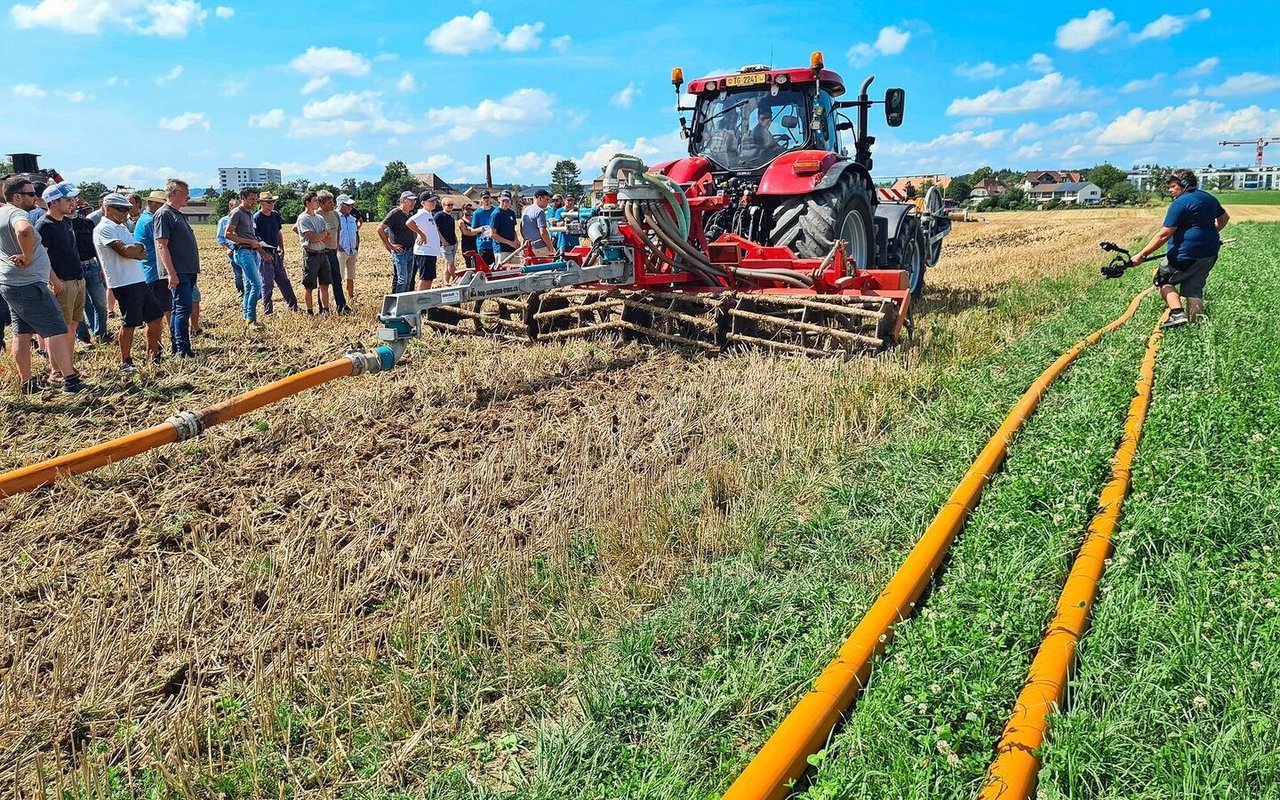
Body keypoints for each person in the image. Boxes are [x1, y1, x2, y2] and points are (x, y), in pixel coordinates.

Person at [0, 176, 83, 393]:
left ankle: (27, 384)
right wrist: (27, 256)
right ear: (16, 196)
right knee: (56, 329)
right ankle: (70, 380)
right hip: (28, 283)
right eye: (30, 194)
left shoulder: (1, 212)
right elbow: (24, 231)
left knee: (22, 334)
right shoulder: (17, 214)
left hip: (11, 283)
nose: (35, 197)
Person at [1130, 169, 1230, 329]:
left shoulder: (1180, 203)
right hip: (1209, 253)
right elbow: (1224, 219)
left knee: (1162, 279)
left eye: (1173, 186)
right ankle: (1195, 329)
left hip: (1184, 254)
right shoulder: (1208, 198)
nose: (1170, 190)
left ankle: (1177, 313)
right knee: (1194, 290)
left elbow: (1164, 234)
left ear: (1184, 185)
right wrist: (1210, 234)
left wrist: (1142, 254)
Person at [94, 193, 164, 369]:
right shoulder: (104, 228)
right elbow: (125, 251)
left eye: (127, 208)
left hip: (138, 279)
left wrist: (136, 250)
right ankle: (125, 361)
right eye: (121, 209)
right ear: (107, 209)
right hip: (123, 282)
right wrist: (135, 250)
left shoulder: (122, 228)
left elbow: (143, 252)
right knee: (130, 322)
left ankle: (153, 356)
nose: (126, 212)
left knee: (155, 317)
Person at [35, 182, 85, 381]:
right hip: (62, 282)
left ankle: (68, 367)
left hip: (77, 280)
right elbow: (42, 258)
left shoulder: (65, 222)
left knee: (72, 327)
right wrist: (55, 280)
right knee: (58, 329)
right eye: (68, 200)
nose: (73, 203)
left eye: (72, 199)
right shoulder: (44, 225)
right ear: (54, 202)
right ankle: (56, 371)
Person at [154, 178, 200, 357]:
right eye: (185, 194)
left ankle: (178, 347)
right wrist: (171, 273)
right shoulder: (164, 214)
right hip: (178, 271)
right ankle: (182, 349)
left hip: (187, 270)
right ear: (174, 193)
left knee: (181, 309)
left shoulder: (177, 214)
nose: (188, 197)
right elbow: (161, 245)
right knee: (182, 309)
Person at [223, 187, 267, 330]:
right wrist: (250, 242)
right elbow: (228, 234)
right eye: (251, 199)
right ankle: (251, 317)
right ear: (243, 197)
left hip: (252, 251)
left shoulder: (250, 213)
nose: (254, 202)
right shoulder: (237, 213)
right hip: (243, 252)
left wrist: (258, 245)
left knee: (249, 286)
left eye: (255, 199)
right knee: (257, 284)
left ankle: (247, 319)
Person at [134, 190, 171, 356]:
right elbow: (162, 246)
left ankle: (160, 344)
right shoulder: (152, 222)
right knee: (158, 313)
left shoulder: (144, 219)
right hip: (155, 272)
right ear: (156, 205)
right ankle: (156, 348)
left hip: (149, 271)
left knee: (163, 310)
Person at [70, 202, 111, 344]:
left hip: (92, 266)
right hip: (73, 270)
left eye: (72, 201)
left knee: (100, 303)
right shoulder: (61, 225)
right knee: (79, 306)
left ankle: (101, 334)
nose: (71, 204)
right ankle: (82, 337)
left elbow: (96, 247)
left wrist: (101, 268)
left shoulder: (87, 223)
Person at [253, 193, 298, 313]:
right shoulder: (256, 218)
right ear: (261, 203)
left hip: (275, 252)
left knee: (284, 281)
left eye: (273, 202)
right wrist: (263, 254)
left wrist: (282, 248)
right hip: (264, 254)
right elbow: (254, 239)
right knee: (267, 284)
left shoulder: (275, 215)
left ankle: (293, 306)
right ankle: (268, 311)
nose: (272, 204)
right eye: (269, 202)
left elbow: (278, 233)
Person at [296, 190, 332, 314]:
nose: (317, 202)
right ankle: (310, 311)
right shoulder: (303, 218)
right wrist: (322, 235)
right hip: (311, 255)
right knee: (309, 286)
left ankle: (325, 310)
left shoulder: (320, 218)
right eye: (315, 200)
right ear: (307, 203)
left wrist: (320, 235)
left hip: (323, 253)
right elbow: (313, 238)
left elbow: (328, 237)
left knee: (325, 284)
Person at [316, 191, 351, 314]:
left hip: (332, 252)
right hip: (321, 253)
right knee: (323, 283)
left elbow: (338, 231)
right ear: (321, 203)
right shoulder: (315, 215)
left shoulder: (335, 214)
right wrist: (318, 240)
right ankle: (323, 309)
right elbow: (297, 229)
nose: (332, 204)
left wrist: (336, 245)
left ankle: (341, 306)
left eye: (332, 201)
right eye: (329, 202)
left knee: (337, 280)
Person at [377, 191, 417, 293]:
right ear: (402, 201)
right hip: (401, 252)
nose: (413, 202)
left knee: (408, 281)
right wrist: (390, 245)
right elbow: (380, 228)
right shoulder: (395, 213)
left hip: (411, 251)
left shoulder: (409, 215)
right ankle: (398, 305)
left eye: (414, 200)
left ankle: (404, 305)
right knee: (402, 280)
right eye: (410, 200)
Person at [406, 192, 442, 290]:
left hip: (430, 252)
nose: (434, 202)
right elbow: (409, 222)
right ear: (423, 203)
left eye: (434, 200)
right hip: (425, 252)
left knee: (428, 278)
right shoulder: (422, 213)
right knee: (425, 279)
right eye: (430, 201)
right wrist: (421, 234)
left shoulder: (429, 214)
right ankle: (420, 301)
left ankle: (424, 301)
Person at [216, 198, 245, 297]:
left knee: (249, 272)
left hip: (244, 246)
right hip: (232, 247)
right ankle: (241, 292)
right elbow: (220, 238)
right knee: (238, 274)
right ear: (230, 208)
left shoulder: (244, 218)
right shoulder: (223, 221)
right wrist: (227, 248)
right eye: (235, 207)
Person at [520, 188, 557, 260]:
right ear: (540, 198)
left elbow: (521, 228)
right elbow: (543, 232)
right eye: (546, 199)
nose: (548, 202)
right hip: (540, 247)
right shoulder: (540, 211)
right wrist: (550, 247)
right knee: (555, 260)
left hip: (528, 247)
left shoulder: (525, 210)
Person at [337, 194, 360, 301]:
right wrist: (338, 247)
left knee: (351, 275)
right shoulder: (335, 217)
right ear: (341, 205)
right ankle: (340, 298)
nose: (351, 208)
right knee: (339, 276)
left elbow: (355, 233)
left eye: (351, 206)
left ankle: (351, 297)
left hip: (352, 250)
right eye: (348, 205)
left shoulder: (352, 218)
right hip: (341, 251)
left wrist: (356, 246)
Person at [489, 190, 520, 264]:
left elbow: (513, 229)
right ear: (499, 200)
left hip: (513, 248)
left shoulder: (511, 213)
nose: (505, 203)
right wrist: (509, 243)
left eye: (507, 201)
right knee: (503, 271)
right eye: (503, 201)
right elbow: (492, 234)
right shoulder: (496, 214)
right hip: (501, 249)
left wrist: (516, 240)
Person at [471, 191, 498, 267]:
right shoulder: (477, 213)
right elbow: (472, 231)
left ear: (491, 198)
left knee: (497, 268)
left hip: (496, 245)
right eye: (484, 198)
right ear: (481, 200)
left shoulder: (496, 211)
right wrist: (479, 229)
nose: (486, 200)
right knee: (485, 268)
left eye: (488, 197)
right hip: (483, 245)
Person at [436, 197, 458, 282]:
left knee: (448, 264)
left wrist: (456, 240)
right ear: (443, 205)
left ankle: (446, 281)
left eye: (452, 205)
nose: (451, 207)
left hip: (453, 244)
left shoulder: (451, 218)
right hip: (445, 245)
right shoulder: (439, 215)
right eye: (449, 205)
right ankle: (457, 279)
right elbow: (435, 229)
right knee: (451, 264)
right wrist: (443, 240)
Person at [458, 201, 478, 272]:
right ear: (463, 210)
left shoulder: (473, 220)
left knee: (477, 262)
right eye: (467, 209)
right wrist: (477, 231)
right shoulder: (461, 221)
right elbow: (466, 233)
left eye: (470, 209)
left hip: (475, 243)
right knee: (469, 263)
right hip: (467, 244)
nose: (469, 210)